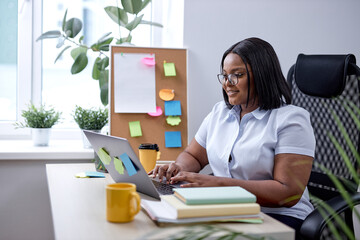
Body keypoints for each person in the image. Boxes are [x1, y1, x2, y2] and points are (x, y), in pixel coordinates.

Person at [150, 37, 315, 238]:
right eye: (225, 75)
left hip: (278, 217)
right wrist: (179, 168)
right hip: (228, 210)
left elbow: (288, 192)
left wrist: (216, 184)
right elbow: (193, 155)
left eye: (237, 75)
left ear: (262, 76)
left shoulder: (291, 120)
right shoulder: (220, 112)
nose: (227, 83)